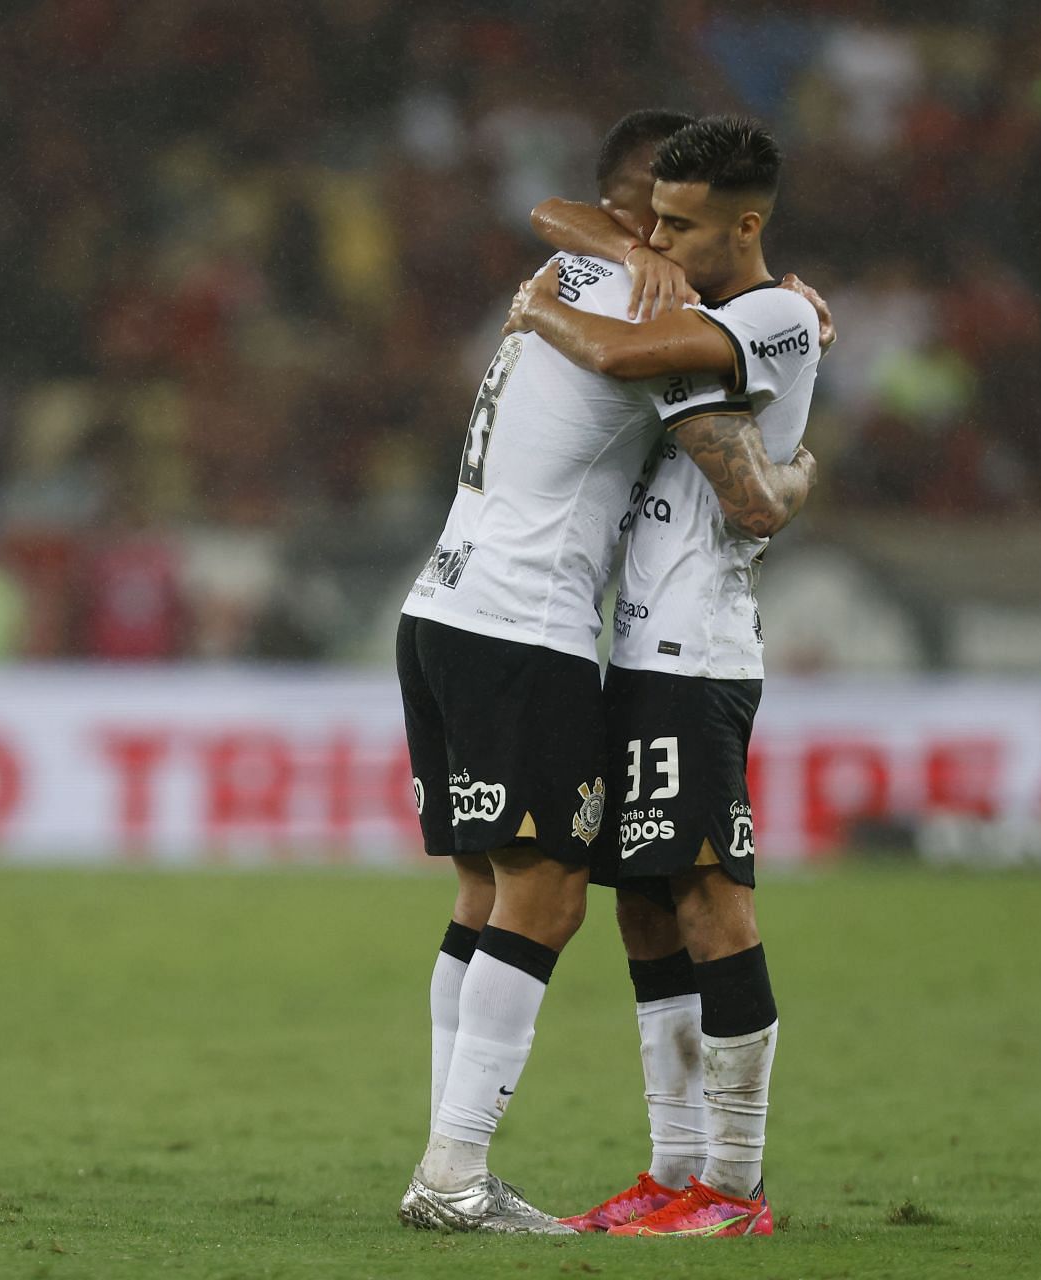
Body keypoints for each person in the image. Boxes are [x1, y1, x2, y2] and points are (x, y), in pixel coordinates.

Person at [396, 109, 815, 1235]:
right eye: (655, 218)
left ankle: (501, 1164)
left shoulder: (575, 262)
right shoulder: (645, 288)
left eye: (684, 224)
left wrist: (572, 281)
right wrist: (795, 472)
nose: (664, 240)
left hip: (443, 603)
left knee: (492, 896)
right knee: (549, 895)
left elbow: (562, 219)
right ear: (637, 209)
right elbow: (748, 487)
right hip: (524, 623)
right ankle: (455, 1172)